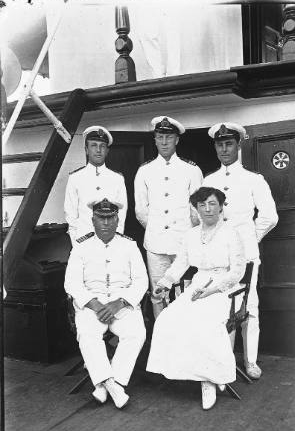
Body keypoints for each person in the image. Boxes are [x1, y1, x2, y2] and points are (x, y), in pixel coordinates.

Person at [146, 187, 246, 410]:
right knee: (168, 319)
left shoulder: (231, 232)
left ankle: (209, 380)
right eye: (202, 205)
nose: (207, 209)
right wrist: (164, 284)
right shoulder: (191, 235)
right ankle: (192, 372)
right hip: (198, 286)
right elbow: (180, 263)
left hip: (224, 289)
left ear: (221, 206)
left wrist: (213, 291)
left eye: (212, 203)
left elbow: (237, 271)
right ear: (196, 208)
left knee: (205, 323)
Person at [202, 122, 278, 380]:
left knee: (249, 306)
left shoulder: (253, 179)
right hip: (219, 257)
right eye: (219, 145)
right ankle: (223, 360)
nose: (224, 149)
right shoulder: (209, 180)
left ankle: (250, 361)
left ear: (238, 145)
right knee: (221, 307)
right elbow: (201, 217)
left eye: (229, 144)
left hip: (245, 255)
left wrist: (249, 239)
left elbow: (269, 216)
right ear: (215, 147)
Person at [64, 197, 148, 408]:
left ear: (117, 219)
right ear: (92, 219)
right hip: (92, 306)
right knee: (88, 334)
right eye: (101, 218)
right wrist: (94, 304)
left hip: (122, 305)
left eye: (110, 218)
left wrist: (119, 303)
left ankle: (107, 384)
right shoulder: (80, 247)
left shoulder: (129, 245)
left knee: (136, 333)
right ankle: (113, 387)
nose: (106, 223)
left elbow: (141, 281)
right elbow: (71, 283)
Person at [134, 116, 203, 319]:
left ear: (177, 140)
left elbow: (196, 211)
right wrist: (157, 227)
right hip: (155, 243)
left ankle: (185, 338)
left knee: (185, 290)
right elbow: (141, 210)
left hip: (183, 242)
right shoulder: (144, 171)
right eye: (160, 137)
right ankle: (163, 339)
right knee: (158, 292)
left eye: (169, 137)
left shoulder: (191, 170)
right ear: (154, 139)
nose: (164, 142)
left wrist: (188, 234)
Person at [64, 125, 128, 245]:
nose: (98, 150)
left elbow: (121, 215)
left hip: (111, 243)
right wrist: (77, 243)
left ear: (107, 151)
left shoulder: (117, 179)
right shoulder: (75, 178)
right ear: (86, 150)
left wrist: (115, 243)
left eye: (102, 146)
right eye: (94, 145)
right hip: (83, 242)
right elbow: (70, 214)